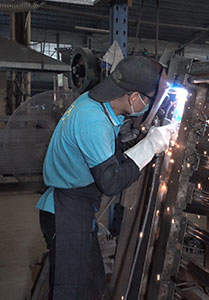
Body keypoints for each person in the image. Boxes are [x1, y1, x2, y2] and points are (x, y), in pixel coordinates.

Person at [36, 56, 174, 299]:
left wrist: (140, 140)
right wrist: (150, 147)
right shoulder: (93, 120)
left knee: (92, 285)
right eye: (150, 100)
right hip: (66, 214)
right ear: (134, 98)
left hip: (74, 209)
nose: (149, 105)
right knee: (71, 292)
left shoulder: (96, 103)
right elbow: (110, 181)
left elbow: (110, 149)